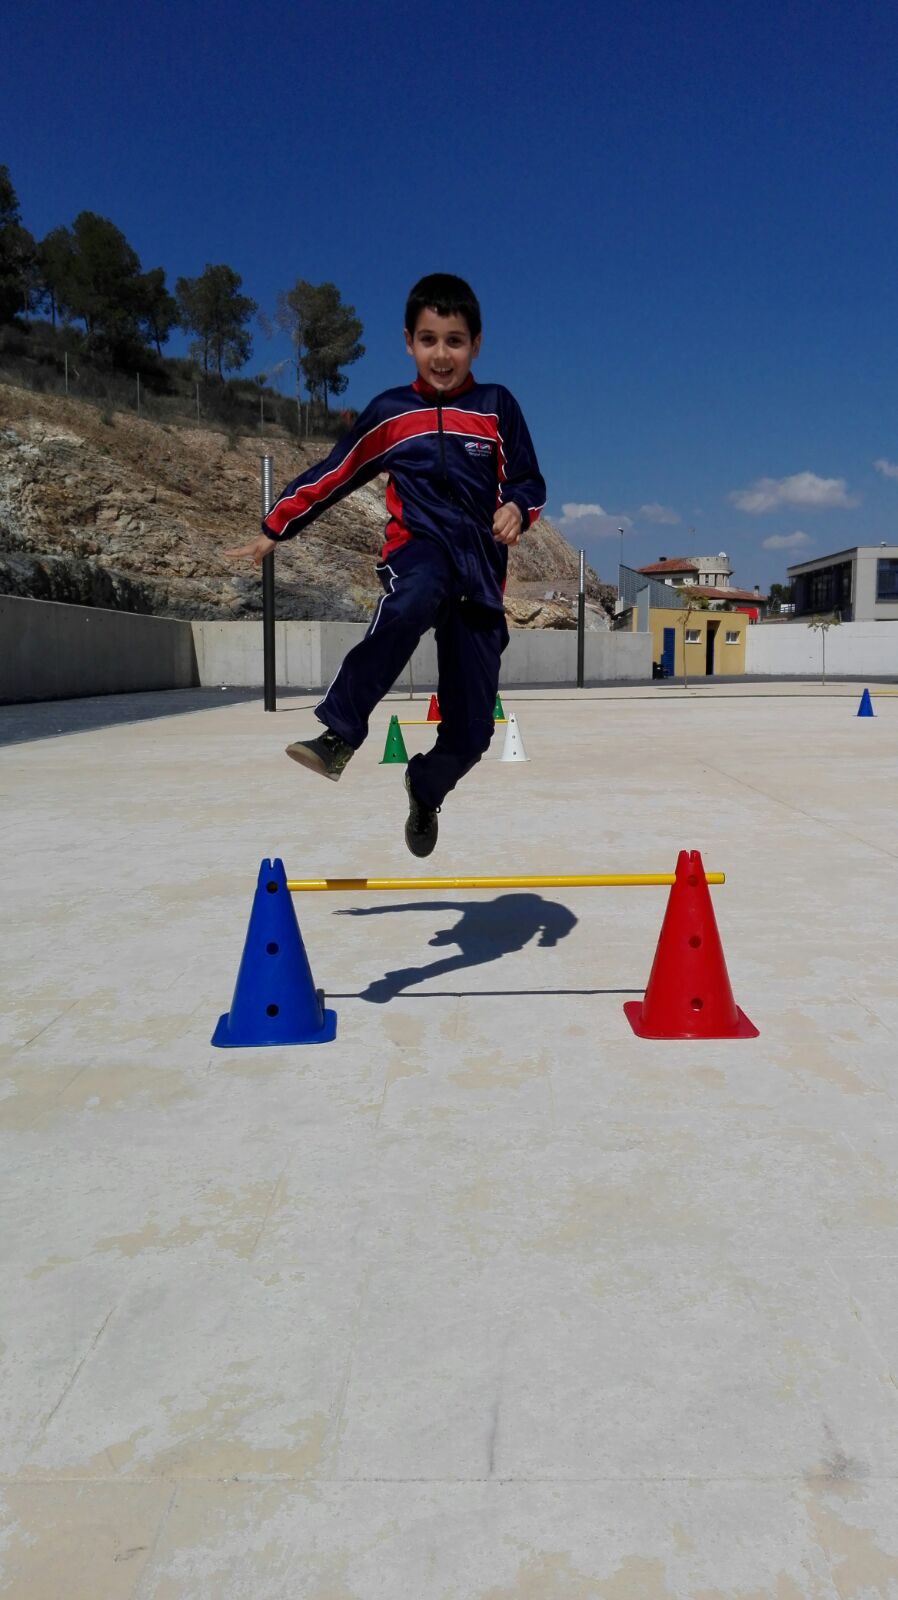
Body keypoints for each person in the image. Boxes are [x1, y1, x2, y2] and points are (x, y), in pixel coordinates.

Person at [226, 273, 545, 857]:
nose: (441, 355)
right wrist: (276, 527)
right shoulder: (391, 413)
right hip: (418, 549)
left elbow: (528, 479)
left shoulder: (496, 407)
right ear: (408, 342)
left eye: (454, 341)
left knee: (473, 733)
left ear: (476, 344)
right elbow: (335, 473)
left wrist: (517, 508)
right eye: (429, 340)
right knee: (414, 596)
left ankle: (425, 786)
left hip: (480, 573)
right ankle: (339, 734)